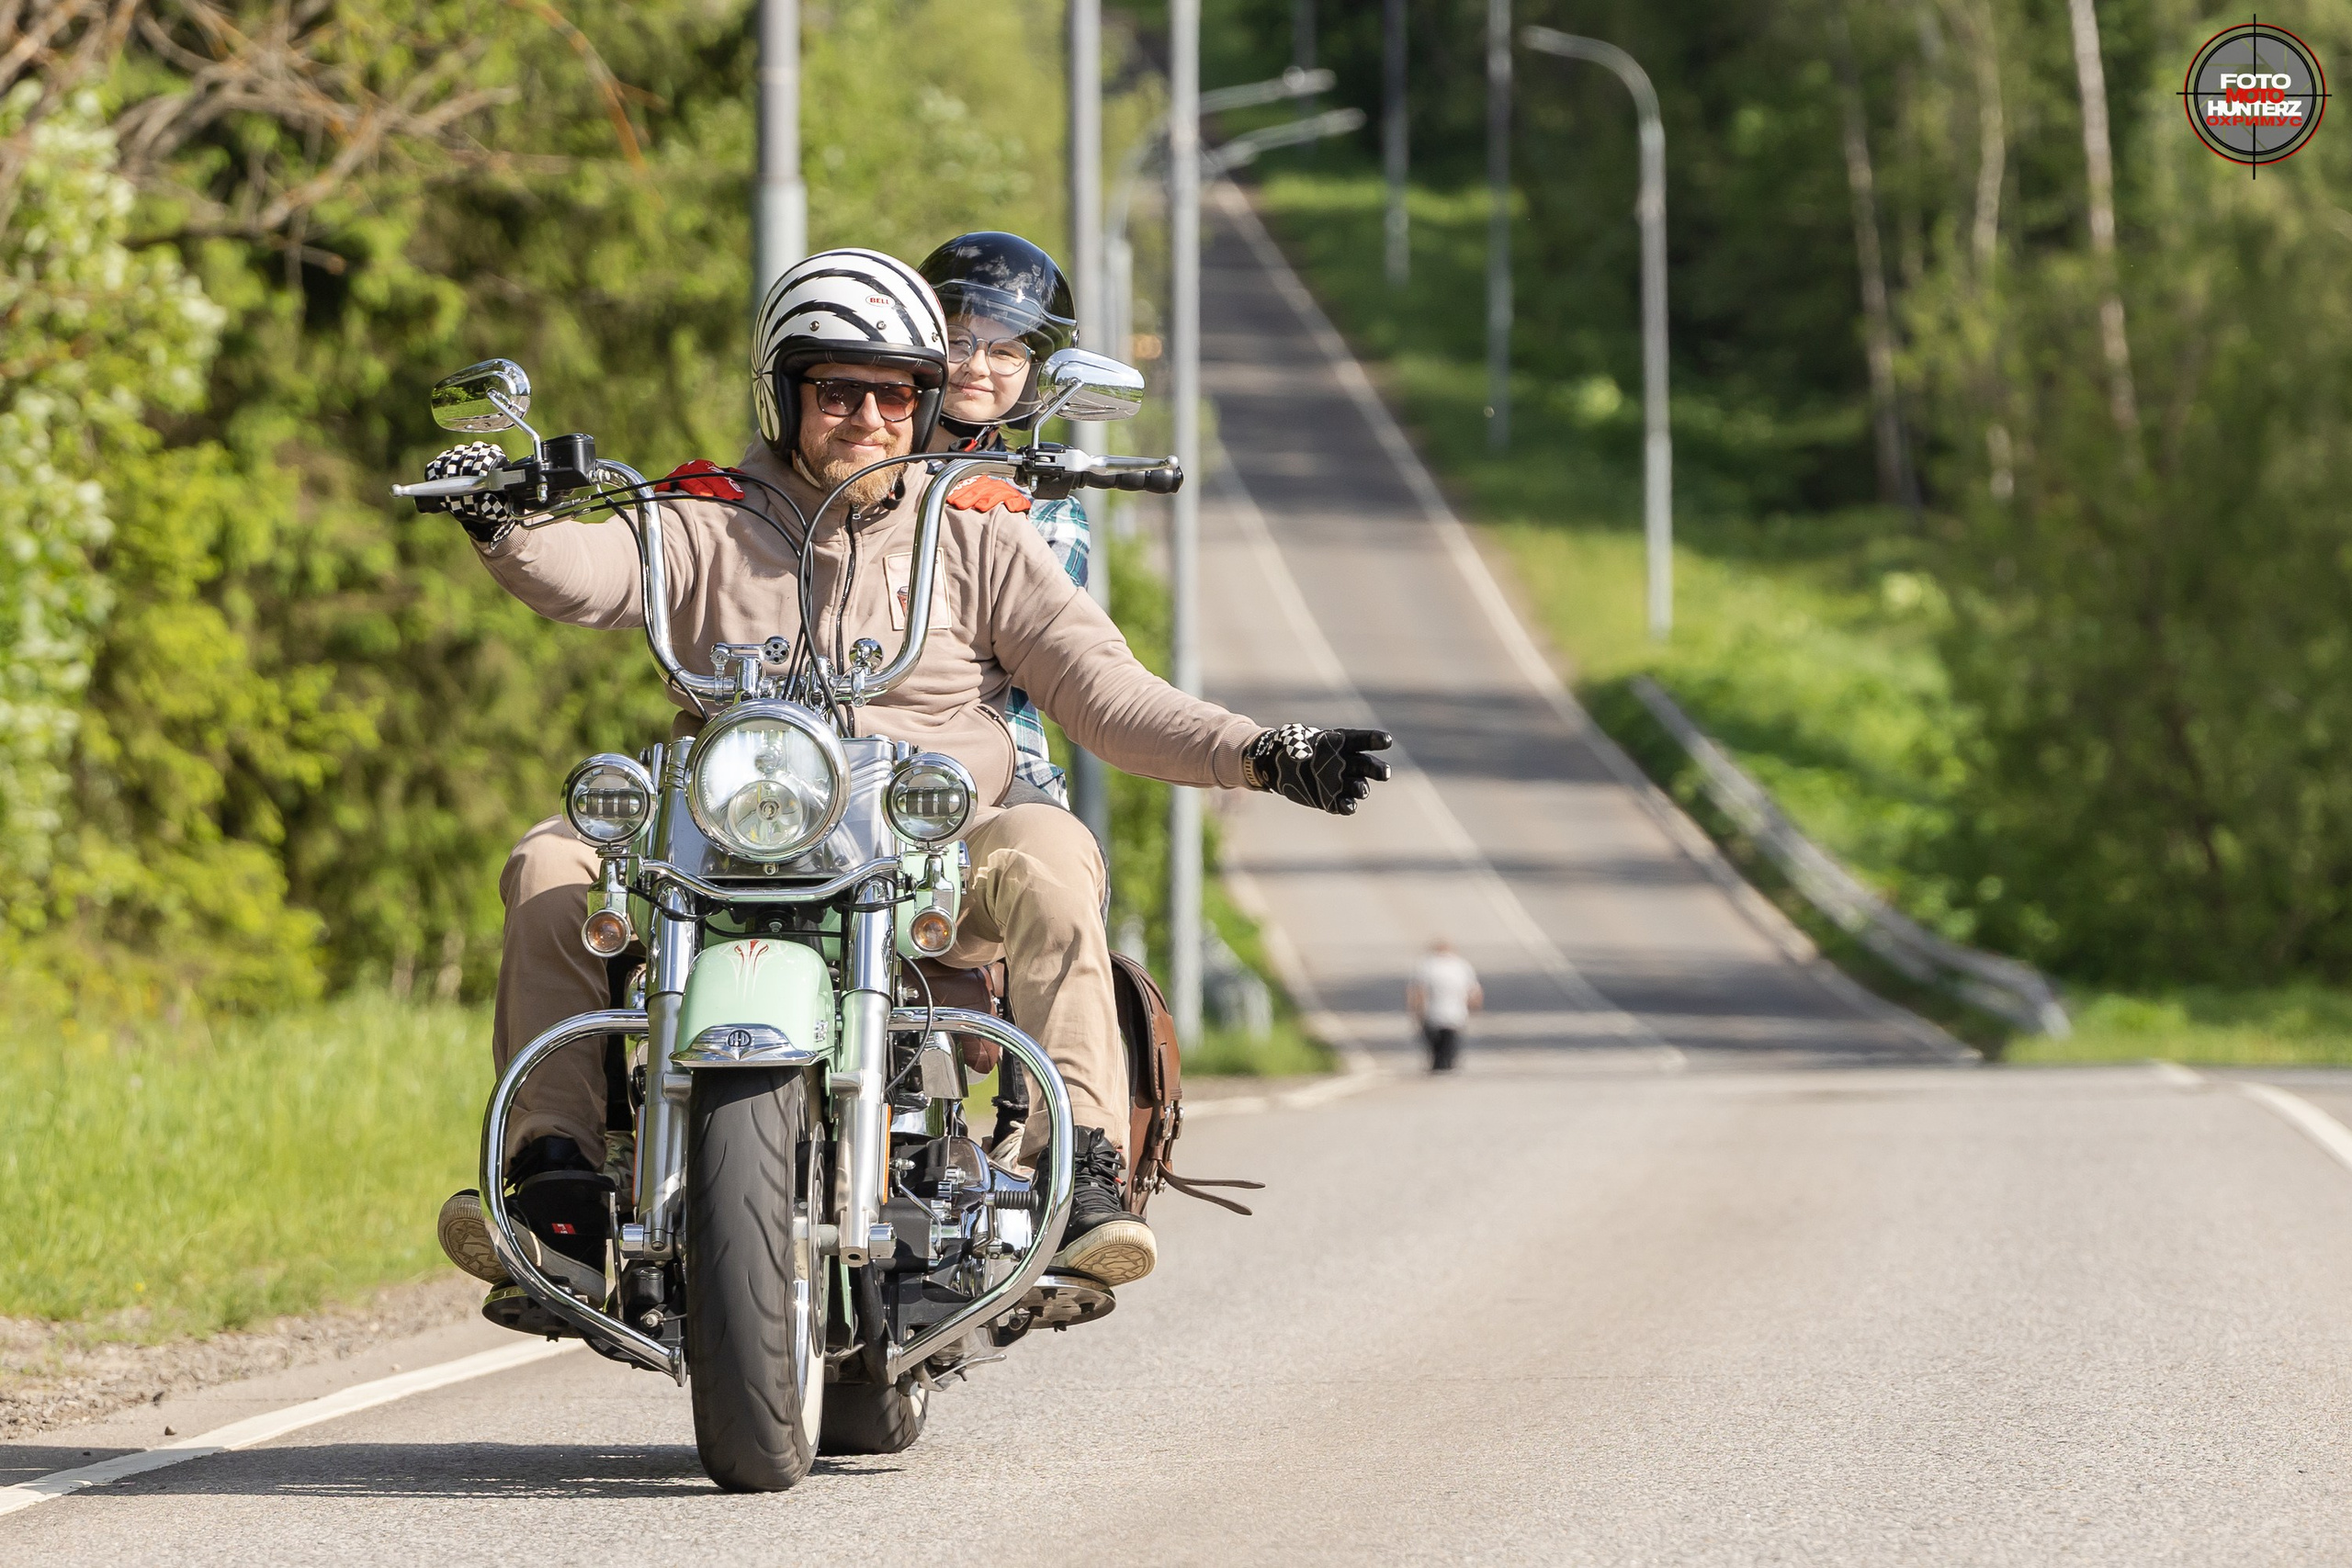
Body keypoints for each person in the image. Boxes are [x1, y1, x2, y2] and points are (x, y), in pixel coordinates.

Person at [432, 247, 1392, 1306]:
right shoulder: (703, 514)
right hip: (727, 839)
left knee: (1052, 852)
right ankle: (555, 1186)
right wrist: (505, 524)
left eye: (896, 393)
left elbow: (1103, 692)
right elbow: (588, 572)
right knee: (552, 861)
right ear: (784, 392)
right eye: (837, 389)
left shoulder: (975, 530)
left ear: (925, 401)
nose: (867, 418)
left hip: (929, 854)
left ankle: (1078, 1168)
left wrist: (1262, 751)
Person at [919, 230, 1089, 806]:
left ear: (1033, 371)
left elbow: (1033, 638)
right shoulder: (856, 461)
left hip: (994, 770)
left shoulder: (1045, 507)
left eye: (1007, 351)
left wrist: (1000, 529)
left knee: (1052, 871)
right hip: (836, 757)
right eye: (958, 340)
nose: (977, 366)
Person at [1407, 938, 1481, 1072]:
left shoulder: (1426, 965)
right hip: (1455, 1015)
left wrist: (1416, 1010)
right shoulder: (1461, 965)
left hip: (1432, 1014)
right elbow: (1474, 991)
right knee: (1449, 1045)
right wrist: (1474, 1007)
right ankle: (1446, 1066)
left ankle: (1439, 1066)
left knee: (1436, 1046)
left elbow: (1418, 991)